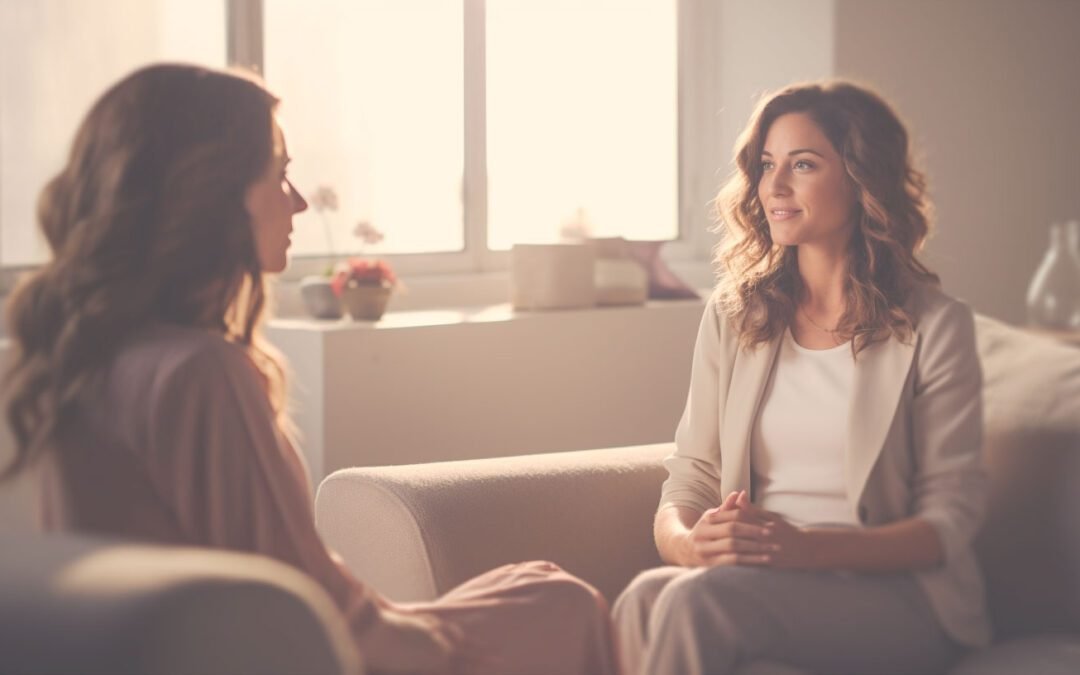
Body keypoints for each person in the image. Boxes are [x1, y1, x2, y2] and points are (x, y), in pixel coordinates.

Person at [2, 63, 617, 675]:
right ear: (213, 194)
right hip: (323, 652)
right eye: (281, 175)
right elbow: (301, 614)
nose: (296, 201)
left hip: (259, 642)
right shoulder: (201, 374)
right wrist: (446, 639)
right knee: (560, 604)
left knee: (531, 585)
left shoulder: (81, 363)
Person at [612, 80, 989, 674]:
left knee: (697, 602)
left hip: (897, 599)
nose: (774, 187)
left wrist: (805, 548)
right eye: (766, 165)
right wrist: (691, 544)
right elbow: (692, 475)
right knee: (642, 599)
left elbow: (949, 522)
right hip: (761, 580)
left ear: (862, 179)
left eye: (803, 164)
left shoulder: (937, 327)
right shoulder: (735, 315)